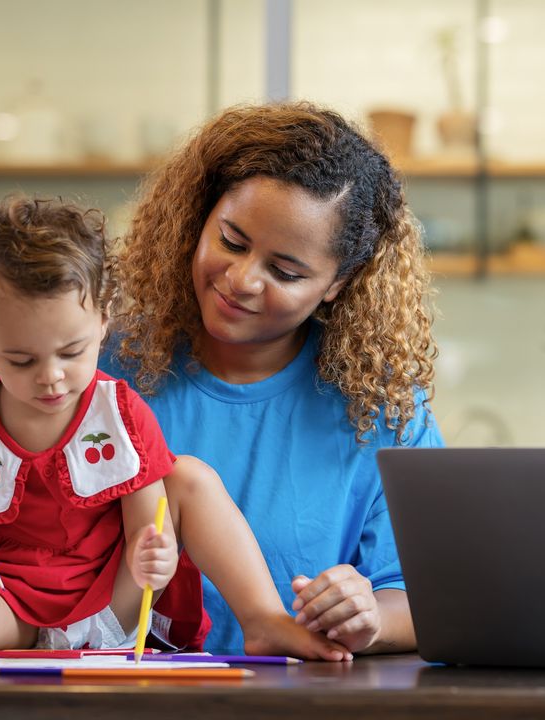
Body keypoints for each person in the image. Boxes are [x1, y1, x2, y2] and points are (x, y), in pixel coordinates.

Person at [0, 196, 349, 667]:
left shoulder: (120, 413)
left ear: (104, 318)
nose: (50, 378)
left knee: (189, 476)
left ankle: (265, 621)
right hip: (2, 594)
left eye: (71, 352)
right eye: (21, 360)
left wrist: (155, 557)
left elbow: (146, 524)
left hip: (105, 600)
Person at [101, 101, 442, 654]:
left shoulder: (378, 407)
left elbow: (433, 596)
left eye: (285, 272)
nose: (241, 280)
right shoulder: (95, 369)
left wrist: (367, 617)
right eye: (232, 241)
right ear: (199, 217)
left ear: (338, 282)